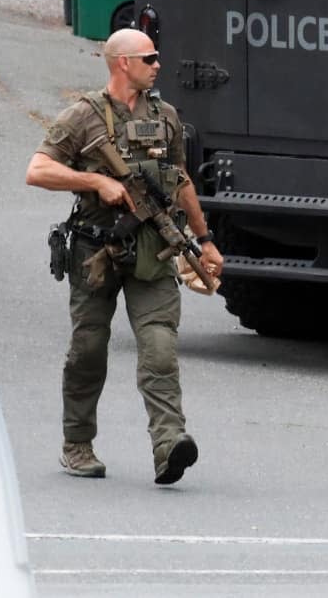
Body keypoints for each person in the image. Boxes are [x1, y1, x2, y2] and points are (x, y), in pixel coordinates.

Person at [26, 29, 224, 485]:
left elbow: (182, 180)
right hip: (96, 250)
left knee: (160, 347)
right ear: (123, 64)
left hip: (153, 250)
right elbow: (37, 170)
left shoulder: (167, 116)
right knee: (88, 349)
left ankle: (170, 444)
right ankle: (77, 443)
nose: (158, 65)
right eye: (149, 57)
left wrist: (205, 239)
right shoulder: (84, 116)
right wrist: (96, 183)